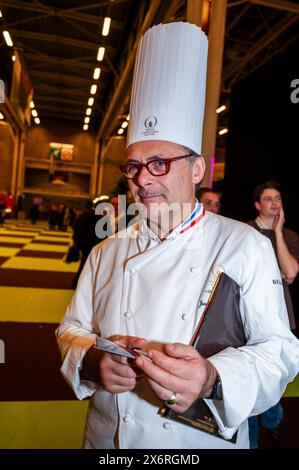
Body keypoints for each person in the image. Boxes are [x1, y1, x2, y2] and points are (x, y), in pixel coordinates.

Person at [56, 22, 299, 449]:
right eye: (133, 166)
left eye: (160, 163)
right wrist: (92, 361)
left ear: (198, 169)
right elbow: (72, 328)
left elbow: (280, 351)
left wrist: (212, 377)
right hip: (105, 439)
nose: (142, 180)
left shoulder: (244, 246)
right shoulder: (106, 250)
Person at [247, 180, 299, 448]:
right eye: (269, 198)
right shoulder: (244, 232)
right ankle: (253, 440)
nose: (275, 203)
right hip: (248, 316)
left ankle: (273, 416)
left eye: (278, 198)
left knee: (273, 375)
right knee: (251, 379)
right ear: (257, 204)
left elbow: (289, 273)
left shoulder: (288, 236)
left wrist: (277, 232)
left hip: (280, 317)